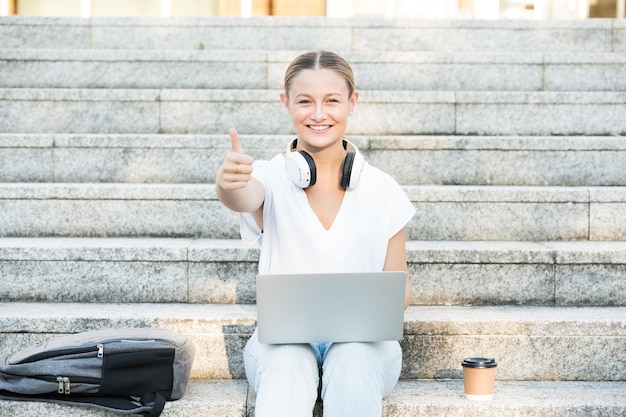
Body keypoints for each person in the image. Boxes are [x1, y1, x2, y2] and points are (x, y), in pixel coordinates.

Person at [215, 50, 415, 417]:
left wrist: (365, 311)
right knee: (290, 362)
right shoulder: (269, 175)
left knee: (353, 358)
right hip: (282, 345)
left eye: (332, 101)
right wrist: (227, 183)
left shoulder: (383, 189)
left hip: (365, 345)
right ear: (286, 103)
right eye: (305, 101)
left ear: (352, 103)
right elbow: (242, 196)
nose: (319, 114)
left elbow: (399, 286)